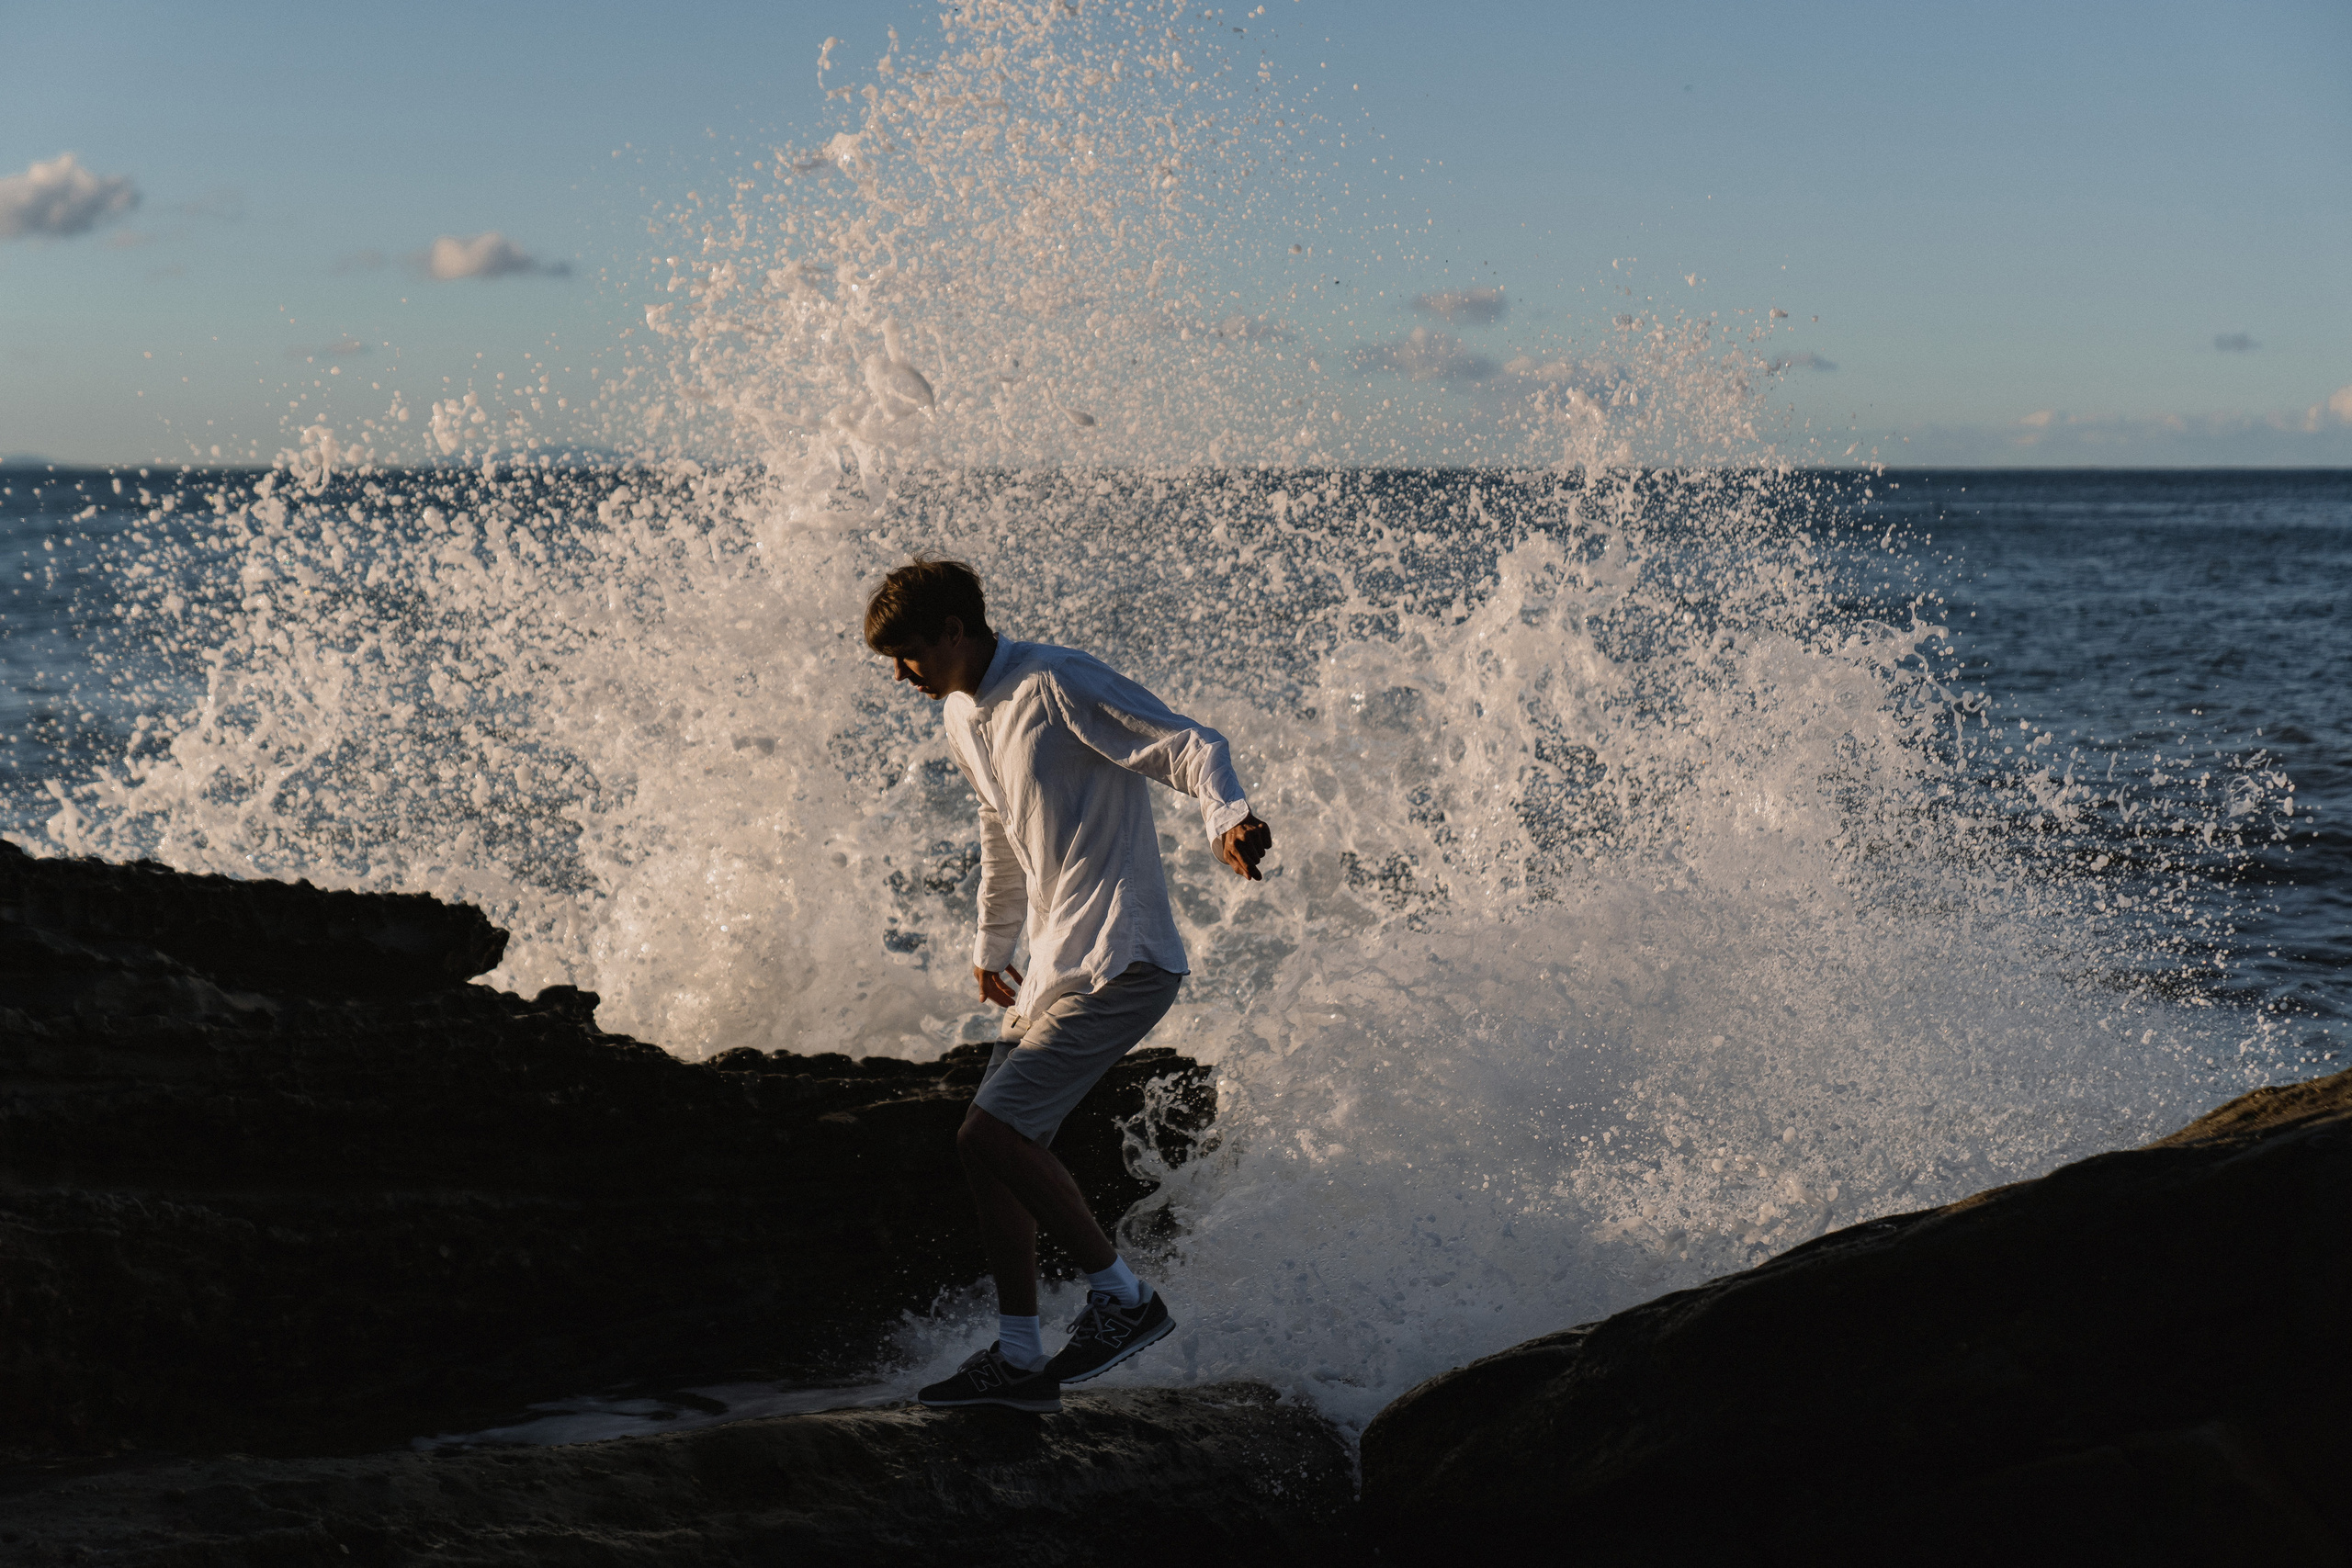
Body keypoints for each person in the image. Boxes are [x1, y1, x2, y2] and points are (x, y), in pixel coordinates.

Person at [864, 558, 1271, 1414]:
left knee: (990, 1132)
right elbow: (998, 824)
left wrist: (1229, 816)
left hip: (1123, 957)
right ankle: (1019, 1357)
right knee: (991, 1157)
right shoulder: (959, 713)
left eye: (908, 655)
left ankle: (1124, 1298)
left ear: (954, 630)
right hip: (1053, 966)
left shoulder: (1055, 680)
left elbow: (1188, 744)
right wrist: (992, 940)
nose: (902, 676)